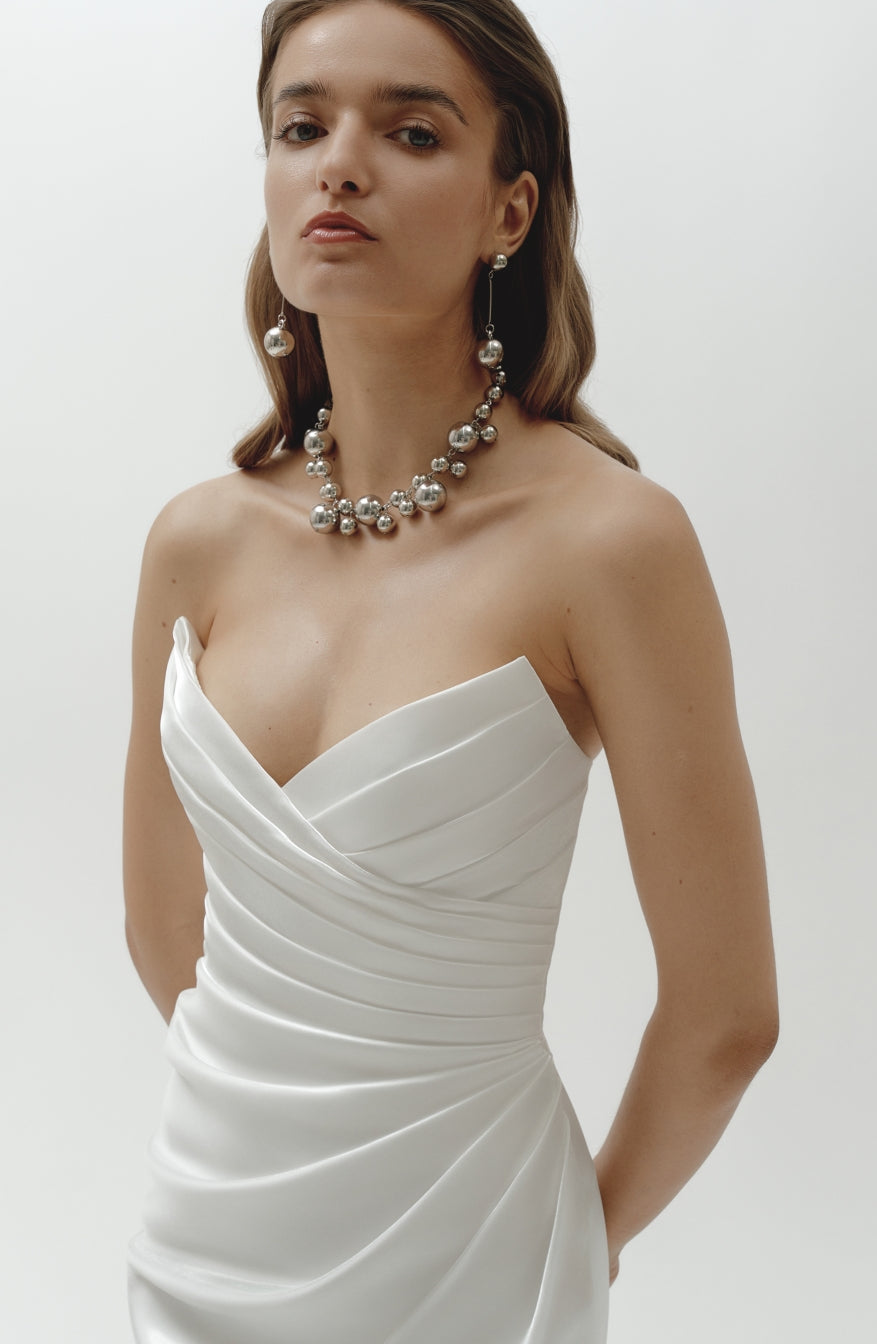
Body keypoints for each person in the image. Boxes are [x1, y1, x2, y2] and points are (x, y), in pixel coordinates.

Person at [123, 0, 779, 1339]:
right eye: (301, 125)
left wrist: (569, 1238)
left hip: (481, 1258)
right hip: (202, 1248)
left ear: (511, 210)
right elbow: (165, 941)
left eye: (411, 130)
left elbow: (726, 1015)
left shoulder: (609, 543)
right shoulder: (197, 540)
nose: (340, 163)